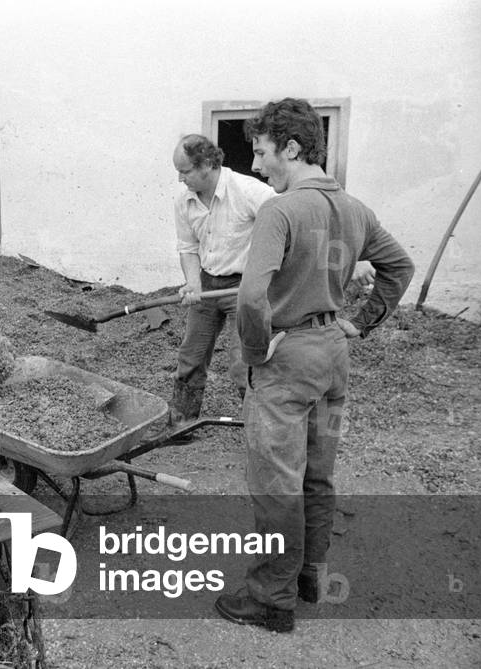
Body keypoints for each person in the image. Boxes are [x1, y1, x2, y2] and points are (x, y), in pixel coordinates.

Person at [215, 98, 414, 632]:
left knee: (276, 481)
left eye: (261, 153)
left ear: (293, 148)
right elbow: (399, 267)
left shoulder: (281, 210)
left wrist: (256, 353)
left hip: (287, 361)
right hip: (332, 357)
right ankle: (308, 576)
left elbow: (251, 297)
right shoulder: (354, 209)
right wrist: (359, 322)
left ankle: (270, 599)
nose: (256, 166)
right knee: (317, 476)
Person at [168, 134, 276, 424]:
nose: (180, 178)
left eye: (185, 171)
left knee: (243, 363)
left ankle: (260, 428)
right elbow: (188, 247)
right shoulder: (184, 200)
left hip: (244, 287)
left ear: (206, 164)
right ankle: (182, 423)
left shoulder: (249, 191)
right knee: (190, 357)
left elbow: (290, 221)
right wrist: (193, 283)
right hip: (206, 285)